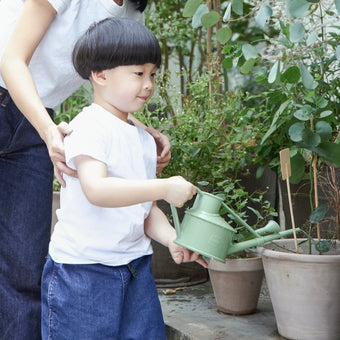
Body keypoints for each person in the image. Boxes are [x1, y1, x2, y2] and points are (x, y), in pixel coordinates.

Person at [0, 1, 171, 339]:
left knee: (24, 267)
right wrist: (49, 131)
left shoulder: (131, 11)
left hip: (35, 116)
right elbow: (11, 60)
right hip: (31, 113)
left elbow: (105, 79)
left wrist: (135, 128)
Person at [41, 17, 206, 339]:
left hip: (136, 268)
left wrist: (173, 240)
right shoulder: (88, 127)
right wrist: (165, 186)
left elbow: (146, 208)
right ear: (100, 74)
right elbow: (97, 189)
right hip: (83, 272)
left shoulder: (143, 138)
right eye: (138, 73)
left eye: (153, 74)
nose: (148, 84)